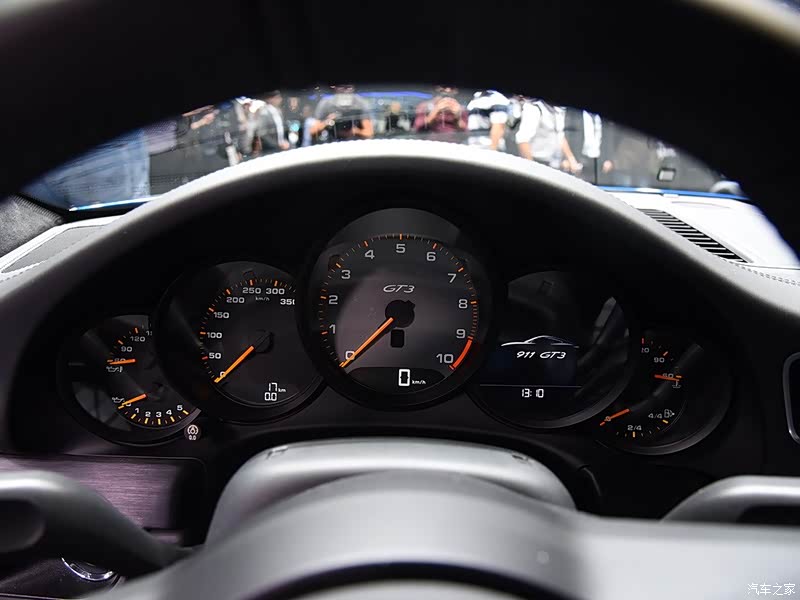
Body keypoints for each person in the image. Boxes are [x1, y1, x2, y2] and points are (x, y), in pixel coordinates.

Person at [515, 98, 580, 171]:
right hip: (535, 161)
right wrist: (531, 169)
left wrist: (571, 160)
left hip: (551, 163)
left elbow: (560, 135)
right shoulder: (534, 108)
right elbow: (522, 139)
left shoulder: (558, 110)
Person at [308, 84, 374, 143]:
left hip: (355, 144)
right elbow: (312, 131)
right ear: (335, 87)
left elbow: (369, 133)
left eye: (348, 87)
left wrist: (355, 131)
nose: (345, 91)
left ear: (353, 88)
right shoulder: (327, 104)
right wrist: (328, 121)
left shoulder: (360, 103)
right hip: (332, 144)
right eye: (341, 87)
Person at [563, 107, 614, 181]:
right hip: (579, 161)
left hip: (599, 163)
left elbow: (608, 138)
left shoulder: (603, 117)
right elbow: (566, 136)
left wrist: (609, 159)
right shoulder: (575, 113)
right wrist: (570, 159)